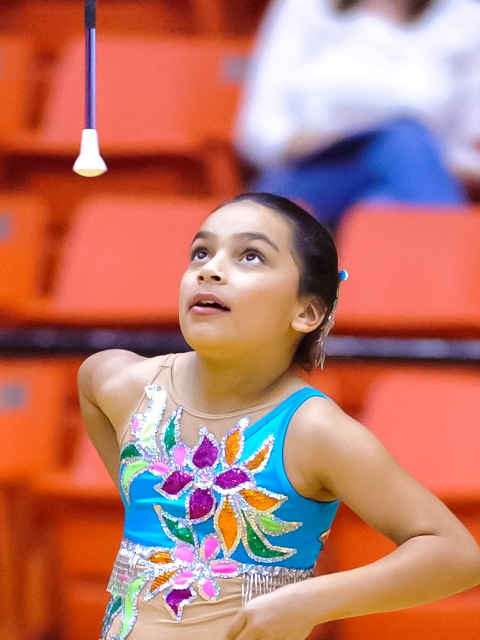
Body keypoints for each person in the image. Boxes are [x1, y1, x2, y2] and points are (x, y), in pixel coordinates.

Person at [78, 193, 480, 640]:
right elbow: (90, 387)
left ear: (307, 311)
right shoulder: (119, 382)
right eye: (201, 252)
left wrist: (313, 600)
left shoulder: (314, 432)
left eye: (251, 256)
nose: (209, 269)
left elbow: (457, 555)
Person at [234, 0, 480, 229]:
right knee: (403, 142)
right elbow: (259, 132)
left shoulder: (465, 20)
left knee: (385, 200)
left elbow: (466, 150)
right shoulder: (304, 8)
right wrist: (346, 141)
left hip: (417, 173)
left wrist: (414, 158)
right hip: (309, 174)